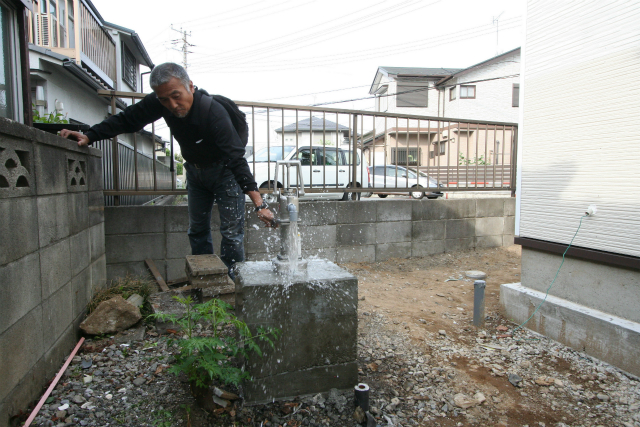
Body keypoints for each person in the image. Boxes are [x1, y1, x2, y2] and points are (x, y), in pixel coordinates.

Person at [60, 62, 275, 278]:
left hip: (225, 173)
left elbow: (236, 158)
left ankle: (233, 282)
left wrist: (259, 203)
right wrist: (90, 135)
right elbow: (128, 119)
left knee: (231, 233)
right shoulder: (160, 102)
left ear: (190, 86)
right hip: (195, 173)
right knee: (197, 230)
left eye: (176, 96)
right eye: (164, 99)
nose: (172, 105)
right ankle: (205, 281)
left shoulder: (213, 112)